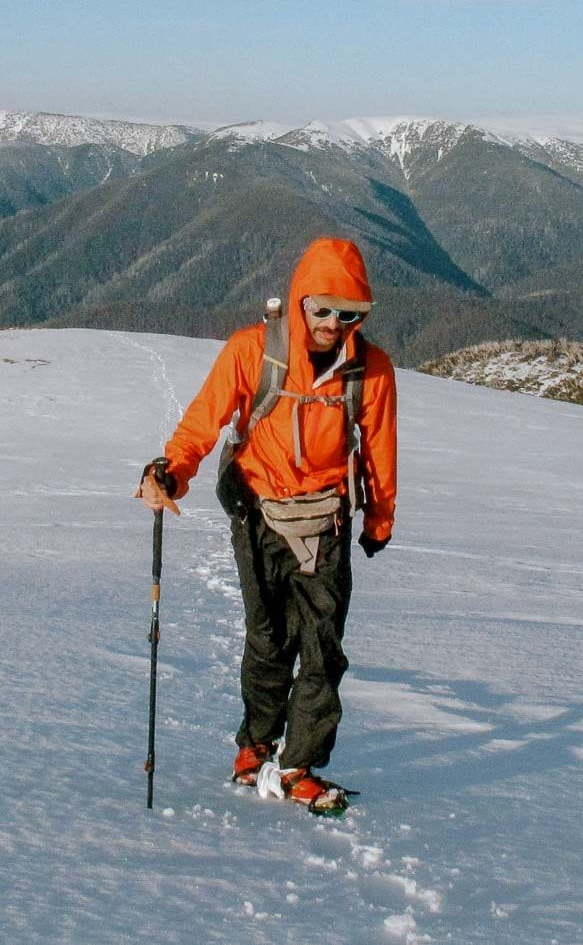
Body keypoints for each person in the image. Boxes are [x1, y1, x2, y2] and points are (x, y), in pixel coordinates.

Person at [137, 237, 397, 813]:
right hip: (258, 512)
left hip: (326, 518)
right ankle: (255, 747)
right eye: (323, 308)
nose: (334, 322)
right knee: (269, 637)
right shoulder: (252, 351)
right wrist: (171, 473)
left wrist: (379, 518)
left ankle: (299, 764)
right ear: (302, 300)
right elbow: (203, 423)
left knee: (323, 649)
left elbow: (379, 448)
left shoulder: (370, 369)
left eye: (349, 313)